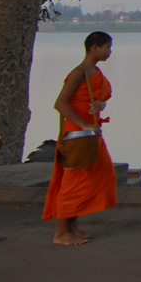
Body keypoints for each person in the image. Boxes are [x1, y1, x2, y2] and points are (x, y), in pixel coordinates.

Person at [43, 31, 117, 245]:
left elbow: (100, 98)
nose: (109, 52)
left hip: (91, 131)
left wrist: (101, 105)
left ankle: (72, 225)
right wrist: (84, 124)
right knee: (72, 182)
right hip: (77, 133)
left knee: (102, 174)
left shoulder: (96, 72)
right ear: (94, 48)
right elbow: (60, 103)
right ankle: (60, 232)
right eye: (107, 47)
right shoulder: (79, 72)